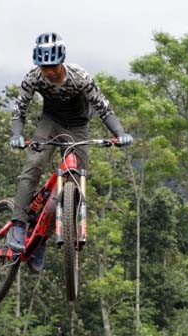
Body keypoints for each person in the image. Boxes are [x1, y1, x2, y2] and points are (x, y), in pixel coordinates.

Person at [8, 32, 133, 273]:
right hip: (50, 123)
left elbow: (103, 108)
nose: (49, 72)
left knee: (76, 178)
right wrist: (16, 134)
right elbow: (20, 108)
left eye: (53, 66)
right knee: (33, 166)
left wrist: (120, 133)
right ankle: (19, 223)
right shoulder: (34, 78)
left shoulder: (80, 78)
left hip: (78, 127)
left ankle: (42, 239)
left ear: (62, 60)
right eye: (44, 67)